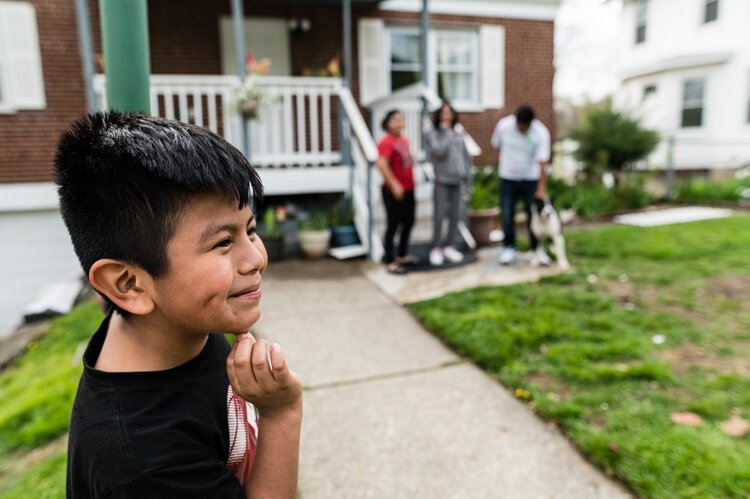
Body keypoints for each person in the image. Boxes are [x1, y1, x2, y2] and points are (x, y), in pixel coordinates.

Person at [56, 112, 302, 498]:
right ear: (129, 284)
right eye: (223, 242)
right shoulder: (144, 464)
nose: (255, 258)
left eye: (250, 230)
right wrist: (281, 415)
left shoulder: (182, 328)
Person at [490, 105, 552, 266]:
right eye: (520, 126)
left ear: (532, 123)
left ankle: (537, 249)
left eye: (526, 126)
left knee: (533, 217)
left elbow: (543, 162)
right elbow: (496, 145)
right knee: (507, 213)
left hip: (530, 179)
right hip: (508, 177)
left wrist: (541, 188)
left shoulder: (540, 133)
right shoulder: (504, 126)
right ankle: (509, 248)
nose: (522, 129)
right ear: (515, 121)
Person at [426, 101, 470, 266]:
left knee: (455, 216)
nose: (447, 115)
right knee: (439, 216)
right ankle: (435, 248)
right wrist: (445, 133)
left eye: (449, 112)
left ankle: (448, 246)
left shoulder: (459, 135)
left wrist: (467, 179)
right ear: (438, 115)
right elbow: (438, 152)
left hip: (458, 182)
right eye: (443, 112)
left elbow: (466, 158)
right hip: (442, 180)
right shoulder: (434, 134)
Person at [377, 109, 417, 274]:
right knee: (393, 224)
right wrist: (394, 185)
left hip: (409, 189)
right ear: (387, 123)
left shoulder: (404, 141)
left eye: (401, 119)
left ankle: (402, 255)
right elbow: (381, 164)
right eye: (395, 119)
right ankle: (389, 260)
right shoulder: (386, 142)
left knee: (408, 222)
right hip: (393, 191)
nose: (399, 122)